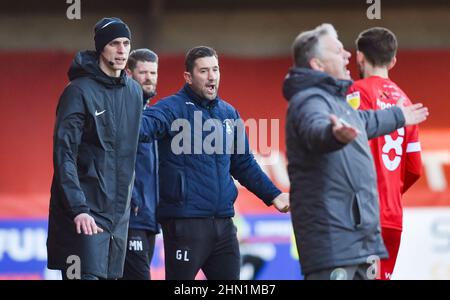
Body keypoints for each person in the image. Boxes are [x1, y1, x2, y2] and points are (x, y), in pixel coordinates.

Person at [283, 24, 428, 280]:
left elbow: (367, 121)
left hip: (364, 228)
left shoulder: (346, 99)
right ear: (317, 64)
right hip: (345, 230)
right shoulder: (311, 100)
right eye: (339, 51)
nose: (348, 55)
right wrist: (333, 135)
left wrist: (398, 116)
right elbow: (316, 129)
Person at [139, 46, 290, 280]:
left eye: (215, 69)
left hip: (224, 226)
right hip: (185, 223)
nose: (212, 76)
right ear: (188, 77)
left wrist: (273, 195)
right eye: (204, 71)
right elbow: (142, 127)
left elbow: (243, 164)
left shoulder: (228, 114)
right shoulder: (170, 109)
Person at [47, 17, 142, 280]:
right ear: (101, 48)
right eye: (114, 44)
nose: (122, 50)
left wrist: (132, 198)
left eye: (126, 43)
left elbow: (129, 152)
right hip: (86, 214)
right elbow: (64, 155)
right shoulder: (78, 92)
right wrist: (78, 208)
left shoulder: (134, 92)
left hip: (118, 220)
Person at [348, 27, 422, 280]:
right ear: (393, 61)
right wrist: (390, 191)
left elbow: (348, 146)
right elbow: (414, 168)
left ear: (359, 57)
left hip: (360, 215)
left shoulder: (355, 92)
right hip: (392, 216)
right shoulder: (407, 103)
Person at [121, 49, 160, 280]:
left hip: (151, 217)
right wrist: (131, 197)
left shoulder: (153, 115)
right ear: (129, 73)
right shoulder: (122, 111)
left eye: (153, 72)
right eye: (143, 72)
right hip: (130, 216)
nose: (149, 78)